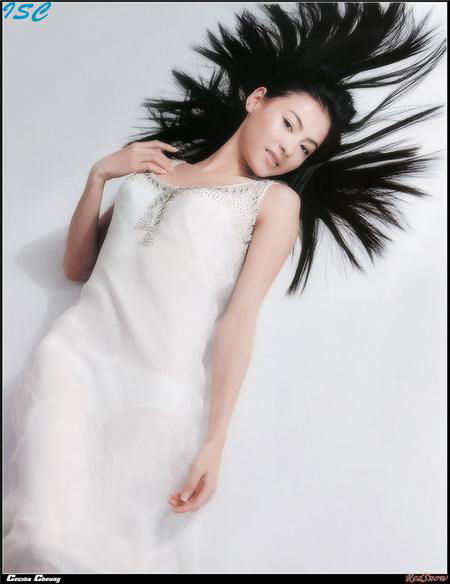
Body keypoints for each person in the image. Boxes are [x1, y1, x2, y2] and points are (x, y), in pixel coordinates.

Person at [3, 2, 446, 575]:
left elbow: (240, 319)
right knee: (37, 535)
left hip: (155, 389)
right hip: (72, 363)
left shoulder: (274, 203)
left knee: (100, 555)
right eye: (290, 124)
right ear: (257, 99)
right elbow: (76, 267)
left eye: (305, 148)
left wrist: (215, 440)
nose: (289, 149)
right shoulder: (153, 170)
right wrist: (99, 176)